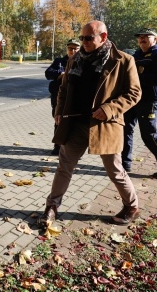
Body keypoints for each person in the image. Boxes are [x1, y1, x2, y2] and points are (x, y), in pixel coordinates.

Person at [39, 20, 141, 227]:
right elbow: (64, 88)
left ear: (103, 37)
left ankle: (132, 207)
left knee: (115, 169)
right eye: (82, 38)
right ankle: (52, 206)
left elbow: (134, 93)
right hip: (75, 124)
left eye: (88, 38)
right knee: (64, 166)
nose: (83, 42)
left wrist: (109, 109)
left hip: (105, 125)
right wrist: (59, 111)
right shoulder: (75, 59)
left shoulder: (123, 60)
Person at [122, 27, 157, 175]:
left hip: (148, 101)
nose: (142, 39)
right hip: (131, 100)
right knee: (125, 131)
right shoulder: (135, 55)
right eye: (140, 37)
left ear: (155, 39)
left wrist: (136, 78)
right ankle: (125, 165)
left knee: (149, 135)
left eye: (146, 37)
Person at [45, 38, 80, 155]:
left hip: (76, 98)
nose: (73, 51)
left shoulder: (83, 62)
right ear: (67, 49)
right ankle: (58, 146)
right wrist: (60, 74)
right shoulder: (59, 61)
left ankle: (72, 149)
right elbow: (48, 73)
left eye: (76, 48)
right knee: (58, 120)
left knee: (75, 124)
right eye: (70, 48)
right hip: (59, 97)